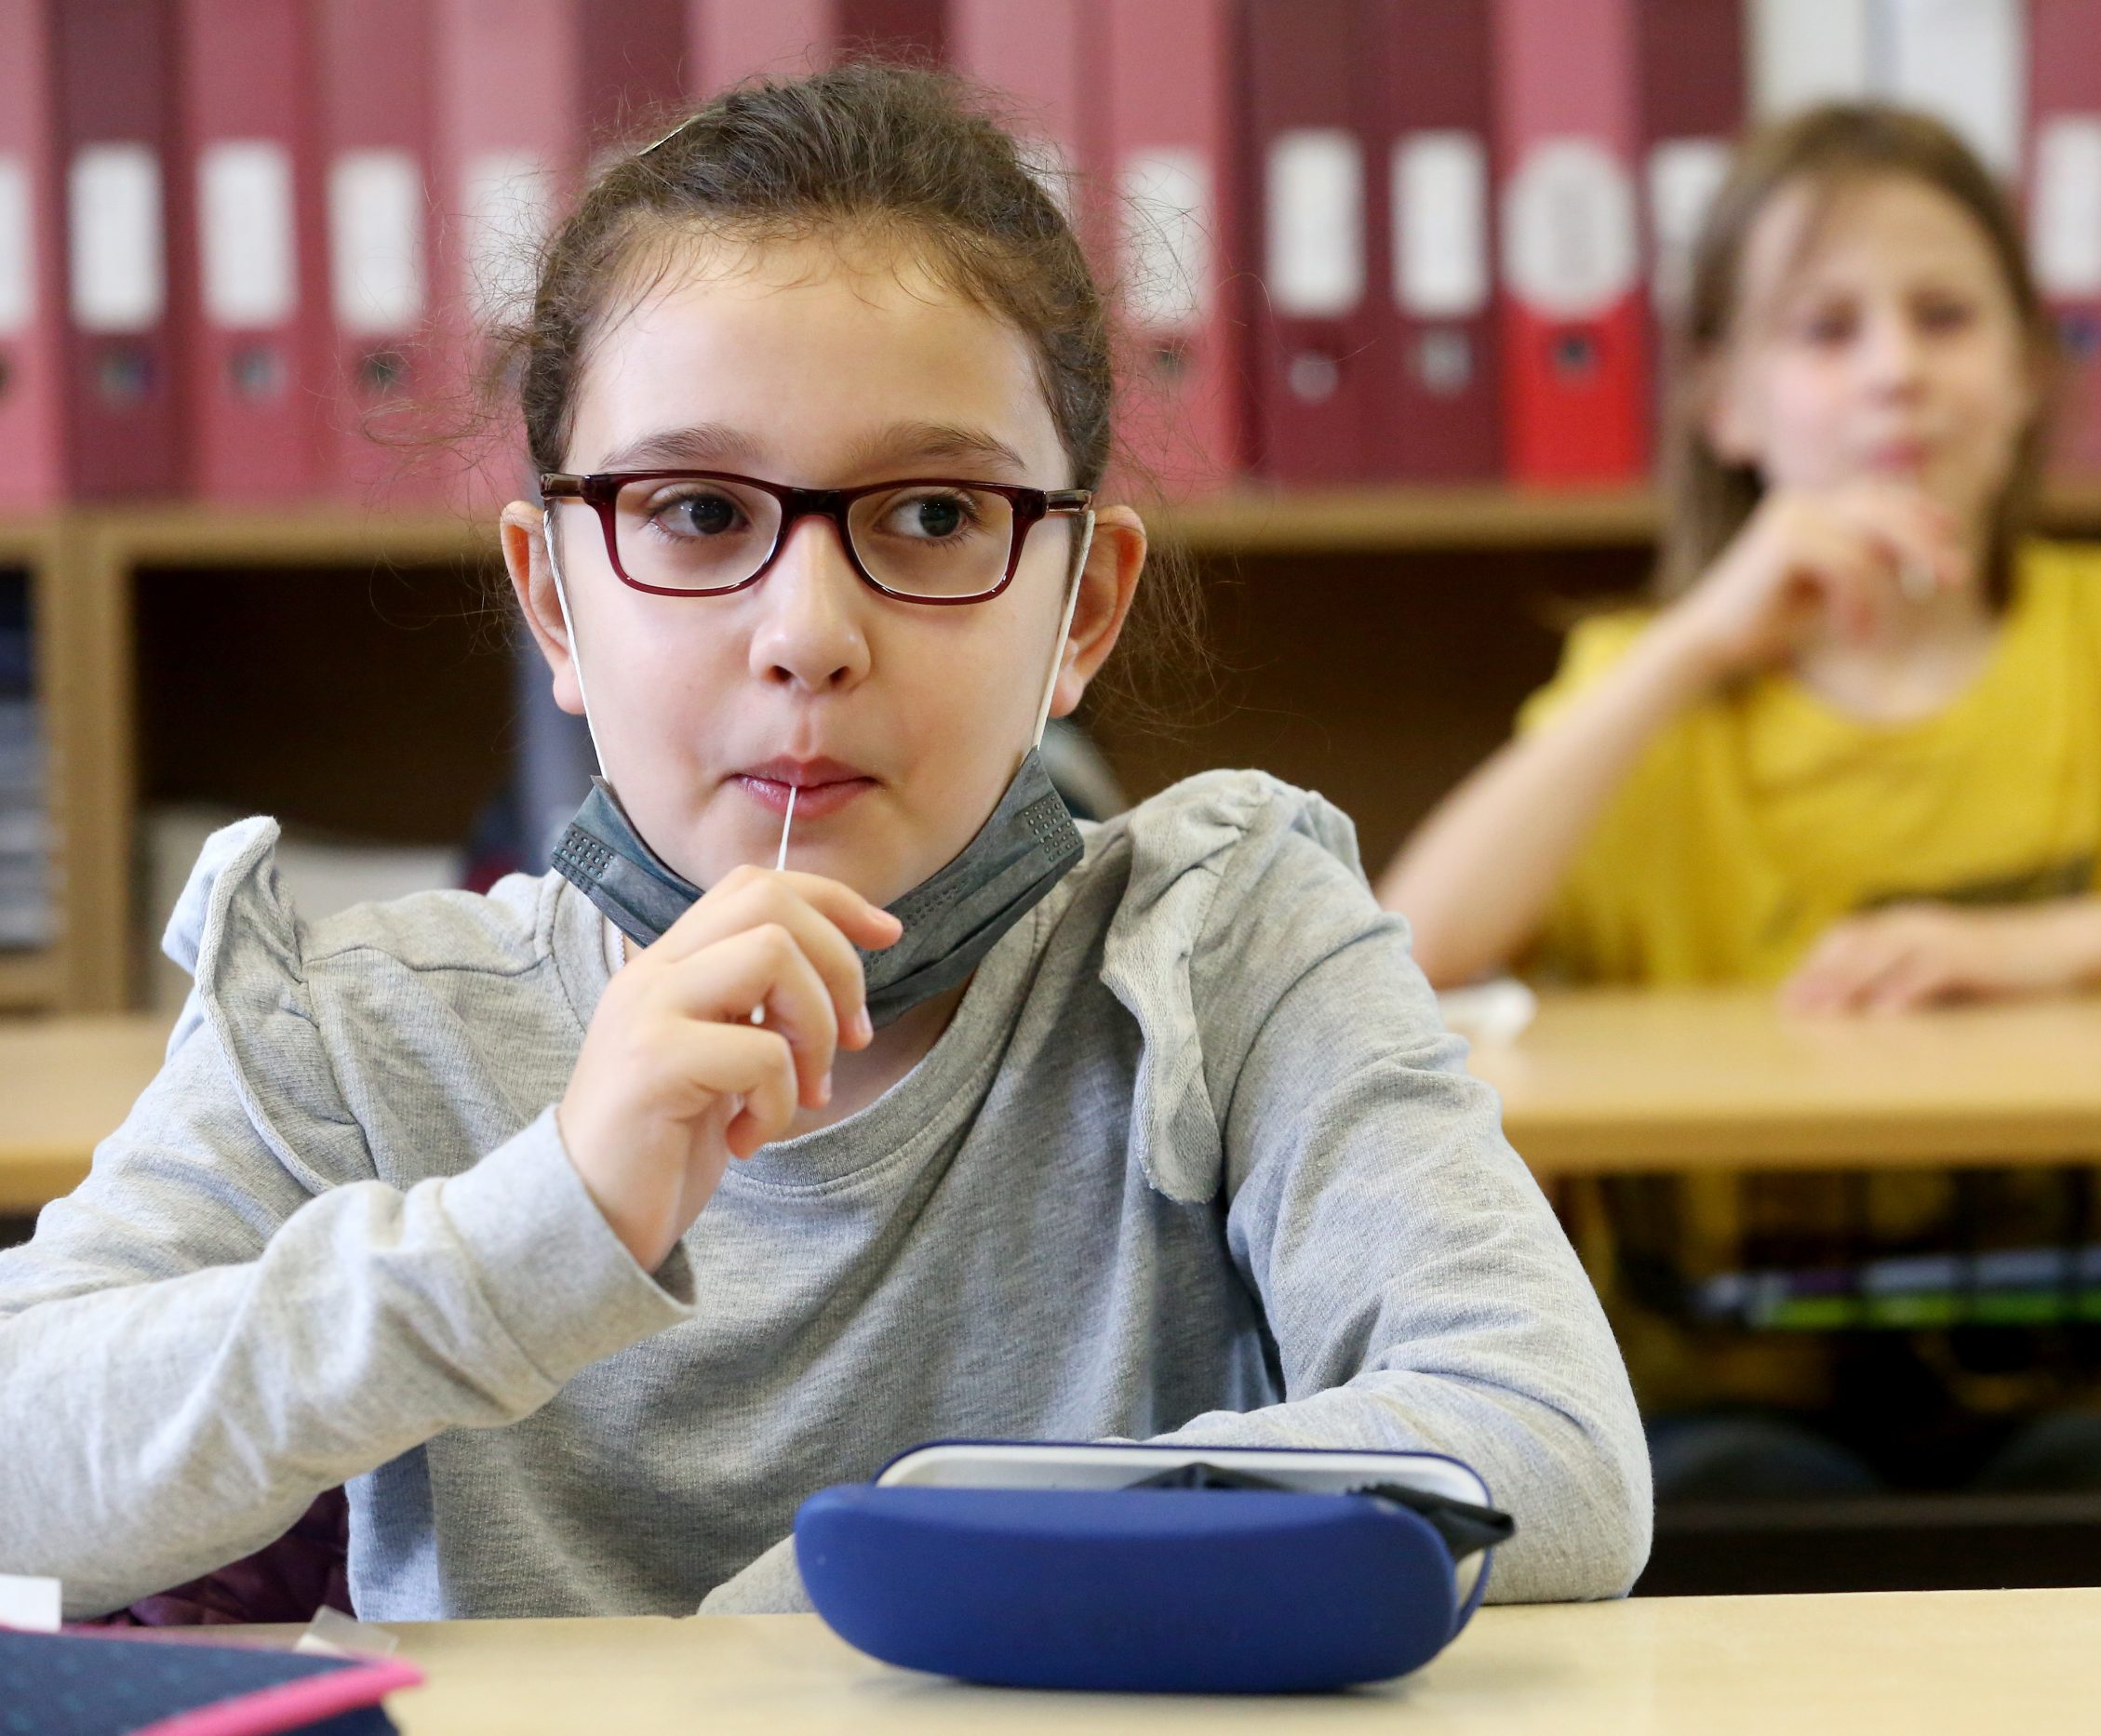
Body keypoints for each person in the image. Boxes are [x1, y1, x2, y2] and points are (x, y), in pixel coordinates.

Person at [0, 66, 1649, 1619]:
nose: (810, 632)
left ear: (1083, 605)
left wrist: (854, 1590)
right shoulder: (358, 1020)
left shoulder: (1228, 943)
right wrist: (547, 1219)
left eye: (933, 517)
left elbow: (1544, 1444)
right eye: (700, 512)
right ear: (552, 600)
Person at [1381, 103, 2101, 1493]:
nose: (1896, 370)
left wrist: (2021, 953)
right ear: (1724, 401)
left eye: (1946, 315)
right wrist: (1695, 641)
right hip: (1722, 1389)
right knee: (1742, 1500)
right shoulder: (1644, 685)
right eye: (1826, 328)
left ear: (2032, 373)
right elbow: (1404, 952)